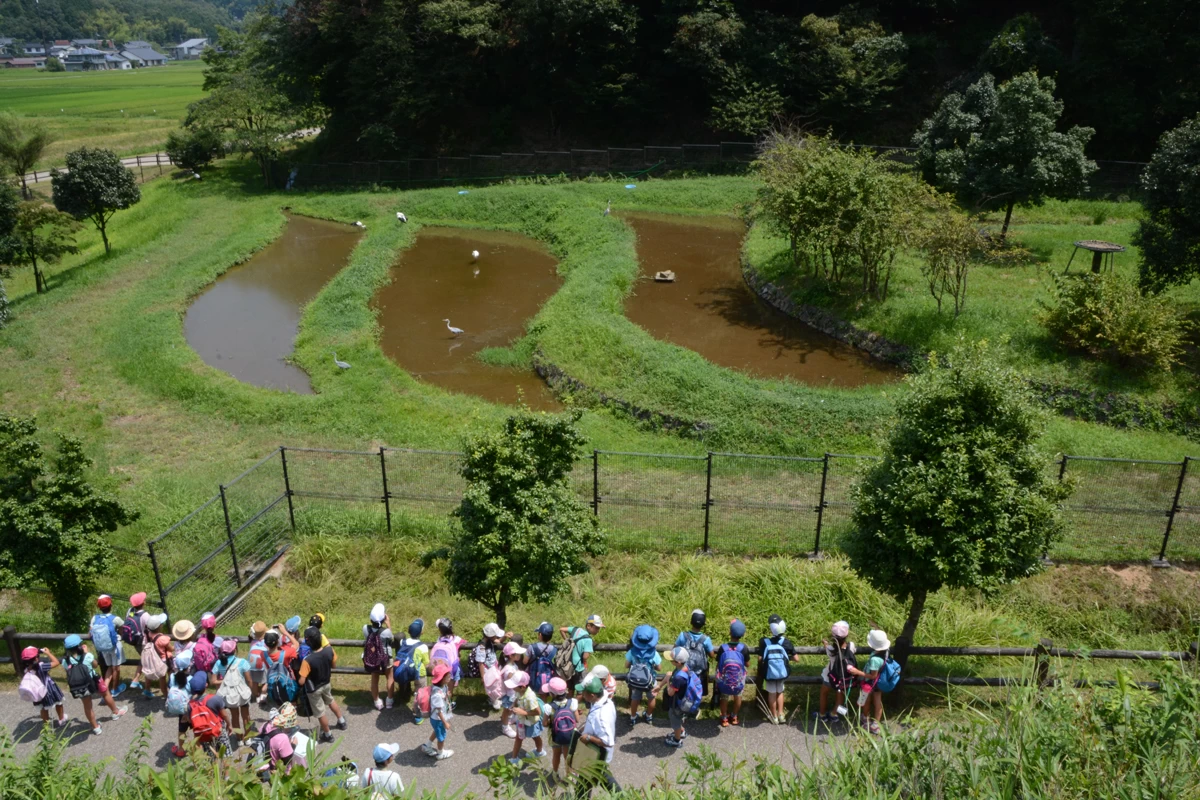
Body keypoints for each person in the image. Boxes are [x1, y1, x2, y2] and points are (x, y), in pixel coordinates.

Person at [61, 634, 127, 736]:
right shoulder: (87, 656)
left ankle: (95, 727)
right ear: (80, 645)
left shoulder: (65, 661)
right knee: (105, 694)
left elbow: (68, 670)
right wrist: (86, 652)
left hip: (81, 685)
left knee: (87, 706)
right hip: (94, 680)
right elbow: (95, 665)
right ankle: (115, 712)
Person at [298, 625, 347, 743]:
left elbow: (301, 681)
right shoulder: (329, 650)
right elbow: (333, 665)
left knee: (320, 712)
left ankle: (328, 734)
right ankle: (341, 721)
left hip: (314, 689)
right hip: (326, 683)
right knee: (331, 700)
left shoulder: (307, 660)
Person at [573, 675, 618, 798]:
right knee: (601, 776)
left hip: (595, 755)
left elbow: (608, 741)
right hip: (596, 757)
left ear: (592, 695)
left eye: (583, 692)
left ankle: (624, 796)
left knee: (586, 781)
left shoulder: (601, 716)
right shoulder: (604, 698)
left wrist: (588, 737)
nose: (581, 694)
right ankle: (624, 796)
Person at [174, 671, 232, 757]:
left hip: (203, 735)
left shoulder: (190, 705)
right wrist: (229, 724)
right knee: (225, 756)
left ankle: (213, 769)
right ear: (206, 685)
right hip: (218, 730)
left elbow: (191, 721)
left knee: (210, 756)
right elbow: (224, 715)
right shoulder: (215, 698)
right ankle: (225, 770)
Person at [846, 628, 889, 735]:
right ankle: (876, 725)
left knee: (865, 700)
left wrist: (857, 672)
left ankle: (865, 719)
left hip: (869, 683)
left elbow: (872, 676)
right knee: (878, 702)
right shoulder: (886, 651)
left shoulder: (875, 660)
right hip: (880, 681)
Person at [759, 614, 800, 725]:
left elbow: (760, 658)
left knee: (771, 693)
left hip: (769, 672)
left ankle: (774, 716)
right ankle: (781, 714)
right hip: (781, 673)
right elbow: (796, 659)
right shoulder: (786, 642)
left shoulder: (764, 642)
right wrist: (786, 658)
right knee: (780, 691)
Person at [658, 646, 702, 748]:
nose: (670, 661)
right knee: (678, 719)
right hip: (683, 700)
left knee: (675, 720)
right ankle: (681, 732)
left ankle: (677, 740)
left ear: (678, 662)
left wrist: (668, 679)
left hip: (677, 704)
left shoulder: (679, 678)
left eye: (671, 660)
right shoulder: (685, 667)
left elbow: (670, 693)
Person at [816, 620, 857, 725]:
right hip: (843, 678)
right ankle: (834, 714)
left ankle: (822, 714)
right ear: (846, 634)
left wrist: (825, 644)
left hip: (830, 676)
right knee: (840, 695)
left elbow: (828, 648)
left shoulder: (830, 649)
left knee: (824, 693)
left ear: (832, 636)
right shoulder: (851, 646)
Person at [211, 637, 253, 736]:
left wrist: (225, 681)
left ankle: (239, 738)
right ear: (234, 649)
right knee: (246, 716)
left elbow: (213, 681)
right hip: (242, 693)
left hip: (229, 694)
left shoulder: (218, 663)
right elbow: (249, 679)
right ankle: (248, 737)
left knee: (234, 716)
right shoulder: (242, 662)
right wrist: (251, 690)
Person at [18, 645, 67, 728]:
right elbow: (56, 662)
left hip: (37, 693)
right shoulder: (42, 666)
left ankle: (47, 726)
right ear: (36, 658)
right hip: (50, 690)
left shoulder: (26, 670)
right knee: (58, 703)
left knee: (43, 709)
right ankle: (61, 719)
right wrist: (48, 653)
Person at [505, 670, 547, 764]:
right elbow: (517, 698)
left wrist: (523, 712)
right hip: (521, 720)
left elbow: (538, 712)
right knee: (518, 738)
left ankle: (540, 751)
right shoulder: (519, 691)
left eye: (514, 686)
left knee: (536, 737)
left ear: (523, 687)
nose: (512, 688)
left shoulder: (530, 697)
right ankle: (514, 758)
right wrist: (514, 704)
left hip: (532, 722)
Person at [89, 595, 127, 698]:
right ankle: (115, 689)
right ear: (111, 605)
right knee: (116, 668)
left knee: (109, 667)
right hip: (114, 647)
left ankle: (104, 689)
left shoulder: (95, 618)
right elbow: (122, 629)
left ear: (99, 607)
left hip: (102, 648)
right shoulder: (115, 619)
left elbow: (90, 632)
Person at [715, 619, 750, 727]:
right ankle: (734, 716)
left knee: (724, 697)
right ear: (743, 634)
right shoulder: (743, 648)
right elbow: (747, 664)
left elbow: (719, 663)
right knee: (738, 696)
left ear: (730, 632)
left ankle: (724, 718)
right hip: (738, 681)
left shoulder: (723, 648)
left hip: (725, 680)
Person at [625, 624, 661, 725]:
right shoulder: (654, 653)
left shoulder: (632, 652)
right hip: (650, 680)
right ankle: (648, 715)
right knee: (651, 698)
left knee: (635, 698)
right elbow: (659, 667)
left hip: (635, 680)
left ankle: (633, 717)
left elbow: (626, 665)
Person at [392, 619, 428, 718]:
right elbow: (426, 663)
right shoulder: (423, 646)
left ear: (408, 631)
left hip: (405, 670)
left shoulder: (402, 642)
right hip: (418, 672)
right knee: (420, 692)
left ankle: (403, 695)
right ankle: (417, 714)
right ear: (421, 632)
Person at [675, 609, 714, 699]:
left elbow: (675, 649)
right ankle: (694, 705)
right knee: (696, 689)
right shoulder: (706, 639)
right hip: (699, 673)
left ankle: (682, 702)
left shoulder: (683, 635)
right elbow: (712, 655)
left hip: (684, 670)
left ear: (691, 622)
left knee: (683, 688)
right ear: (703, 625)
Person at [362, 603, 394, 711]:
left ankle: (377, 701)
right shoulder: (386, 632)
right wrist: (388, 624)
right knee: (389, 678)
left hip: (372, 658)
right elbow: (391, 638)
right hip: (386, 659)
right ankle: (389, 701)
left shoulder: (366, 628)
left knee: (374, 679)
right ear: (383, 618)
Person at [542, 677, 576, 776]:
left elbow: (544, 724)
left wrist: (549, 722)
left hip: (555, 735)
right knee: (567, 756)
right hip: (570, 734)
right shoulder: (572, 702)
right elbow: (577, 719)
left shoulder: (548, 707)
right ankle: (569, 776)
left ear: (552, 694)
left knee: (556, 755)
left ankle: (555, 773)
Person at [559, 615, 602, 693]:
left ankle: (569, 703)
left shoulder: (576, 630)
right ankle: (576, 703)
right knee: (581, 689)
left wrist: (567, 641)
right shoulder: (588, 640)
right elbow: (585, 657)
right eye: (596, 628)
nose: (598, 630)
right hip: (579, 667)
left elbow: (562, 629)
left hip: (569, 665)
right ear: (589, 626)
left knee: (570, 688)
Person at [421, 662, 454, 761]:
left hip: (438, 718)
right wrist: (445, 723)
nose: (450, 677)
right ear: (442, 679)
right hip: (439, 719)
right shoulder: (437, 694)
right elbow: (439, 711)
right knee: (441, 737)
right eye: (448, 676)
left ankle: (427, 745)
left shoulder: (442, 687)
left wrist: (447, 695)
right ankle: (440, 753)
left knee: (437, 731)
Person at [473, 622, 509, 710]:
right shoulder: (481, 646)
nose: (496, 637)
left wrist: (505, 636)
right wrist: (482, 676)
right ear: (491, 636)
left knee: (496, 684)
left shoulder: (490, 640)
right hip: (487, 670)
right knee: (492, 686)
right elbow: (480, 662)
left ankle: (493, 699)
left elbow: (499, 641)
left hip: (493, 667)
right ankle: (494, 701)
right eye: (495, 635)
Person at [430, 618, 464, 709]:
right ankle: (448, 704)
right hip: (450, 669)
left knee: (440, 685)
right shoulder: (455, 639)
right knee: (449, 688)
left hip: (439, 667)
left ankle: (438, 702)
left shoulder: (439, 640)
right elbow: (463, 642)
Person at [125, 592, 152, 696]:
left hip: (135, 642)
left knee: (143, 659)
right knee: (148, 664)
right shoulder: (145, 615)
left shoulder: (130, 612)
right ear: (143, 603)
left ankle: (136, 680)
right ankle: (147, 689)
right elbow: (151, 628)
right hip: (145, 643)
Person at [499, 641, 527, 737]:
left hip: (512, 694)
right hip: (509, 694)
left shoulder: (512, 665)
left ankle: (511, 718)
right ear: (511, 655)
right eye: (518, 653)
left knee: (511, 708)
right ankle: (505, 727)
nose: (520, 655)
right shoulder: (509, 669)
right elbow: (513, 683)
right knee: (506, 711)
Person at [525, 622, 557, 692]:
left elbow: (525, 661)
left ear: (540, 634)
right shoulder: (554, 649)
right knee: (545, 693)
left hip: (533, 675)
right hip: (547, 676)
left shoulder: (532, 647)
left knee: (532, 692)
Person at [247, 621, 270, 703]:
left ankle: (256, 695)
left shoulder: (253, 642)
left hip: (253, 662)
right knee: (264, 679)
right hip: (263, 662)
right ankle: (263, 695)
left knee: (255, 680)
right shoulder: (266, 642)